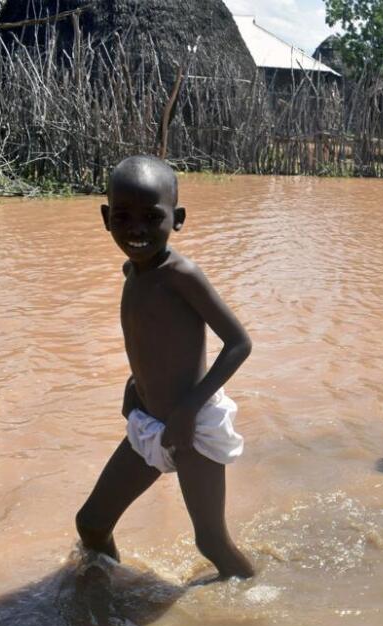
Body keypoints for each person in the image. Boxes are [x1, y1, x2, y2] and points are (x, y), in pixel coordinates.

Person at [75, 155, 255, 579]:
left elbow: (239, 343)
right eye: (123, 216)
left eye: (152, 217)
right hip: (150, 422)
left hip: (192, 425)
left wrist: (189, 409)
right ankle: (108, 597)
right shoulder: (131, 271)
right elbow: (151, 340)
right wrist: (135, 383)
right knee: (92, 524)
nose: (136, 229)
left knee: (211, 542)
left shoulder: (181, 275)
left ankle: (258, 601)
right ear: (106, 217)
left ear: (178, 219)